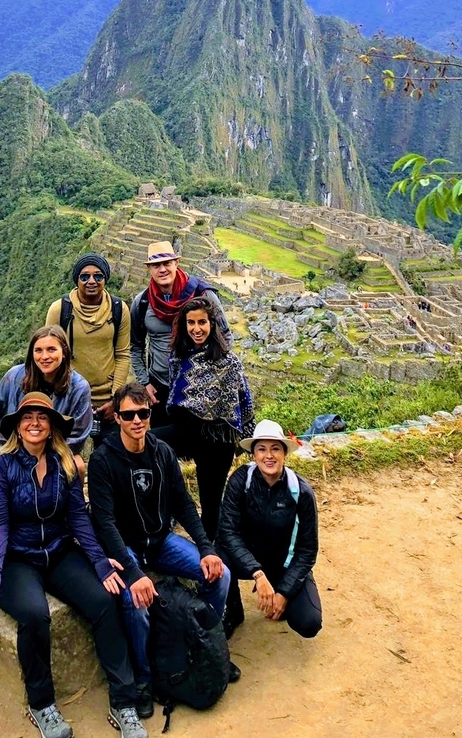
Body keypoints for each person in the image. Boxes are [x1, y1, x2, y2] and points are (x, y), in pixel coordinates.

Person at [0, 392, 147, 738]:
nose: (35, 423)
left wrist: (99, 562)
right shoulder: (1, 467)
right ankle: (42, 705)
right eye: (27, 418)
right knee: (35, 615)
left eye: (42, 417)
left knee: (105, 600)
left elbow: (78, 518)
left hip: (59, 550)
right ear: (17, 428)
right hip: (18, 558)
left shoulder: (63, 465)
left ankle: (124, 703)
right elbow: (0, 522)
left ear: (52, 427)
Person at [88, 382, 237, 720]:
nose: (137, 420)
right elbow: (106, 523)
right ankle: (143, 678)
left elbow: (184, 504)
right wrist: (134, 573)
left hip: (160, 539)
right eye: (129, 415)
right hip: (126, 546)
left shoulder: (162, 452)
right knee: (136, 605)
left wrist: (206, 549)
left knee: (221, 575)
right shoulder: (102, 461)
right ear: (118, 418)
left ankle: (205, 644)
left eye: (143, 413)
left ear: (150, 415)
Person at [216, 420, 322, 640]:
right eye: (261, 449)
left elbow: (307, 549)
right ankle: (233, 609)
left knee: (309, 622)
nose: (269, 456)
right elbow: (228, 531)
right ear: (253, 454)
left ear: (285, 453)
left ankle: (281, 594)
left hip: (283, 561)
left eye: (275, 448)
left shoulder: (301, 492)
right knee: (219, 555)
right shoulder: (240, 481)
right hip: (249, 558)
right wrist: (257, 573)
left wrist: (285, 591)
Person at [167, 297, 255, 540]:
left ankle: (210, 555)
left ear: (212, 324)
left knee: (211, 502)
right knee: (152, 446)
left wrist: (248, 439)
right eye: (191, 323)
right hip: (187, 432)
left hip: (218, 440)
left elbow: (243, 401)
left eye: (202, 322)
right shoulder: (178, 358)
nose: (197, 328)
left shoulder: (229, 362)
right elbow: (177, 397)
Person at [130, 241, 230, 430]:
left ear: (177, 263)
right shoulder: (142, 302)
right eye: (156, 265)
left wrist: (213, 377)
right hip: (160, 388)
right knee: (165, 449)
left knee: (200, 448)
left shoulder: (203, 295)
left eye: (167, 263)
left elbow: (225, 336)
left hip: (201, 387)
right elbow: (135, 346)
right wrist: (145, 382)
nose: (162, 269)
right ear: (149, 269)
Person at [0, 325, 92, 473]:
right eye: (38, 350)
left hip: (54, 454)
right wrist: (3, 455)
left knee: (78, 465)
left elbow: (76, 437)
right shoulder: (13, 378)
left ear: (64, 352)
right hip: (10, 450)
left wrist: (41, 458)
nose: (44, 357)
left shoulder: (79, 388)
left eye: (51, 349)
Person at [45, 253, 130, 440]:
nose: (91, 281)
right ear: (77, 279)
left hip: (106, 401)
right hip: (69, 398)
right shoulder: (60, 309)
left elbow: (123, 355)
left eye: (98, 276)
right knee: (67, 459)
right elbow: (47, 354)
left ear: (105, 279)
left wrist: (115, 399)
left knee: (109, 459)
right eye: (85, 276)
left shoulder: (118, 309)